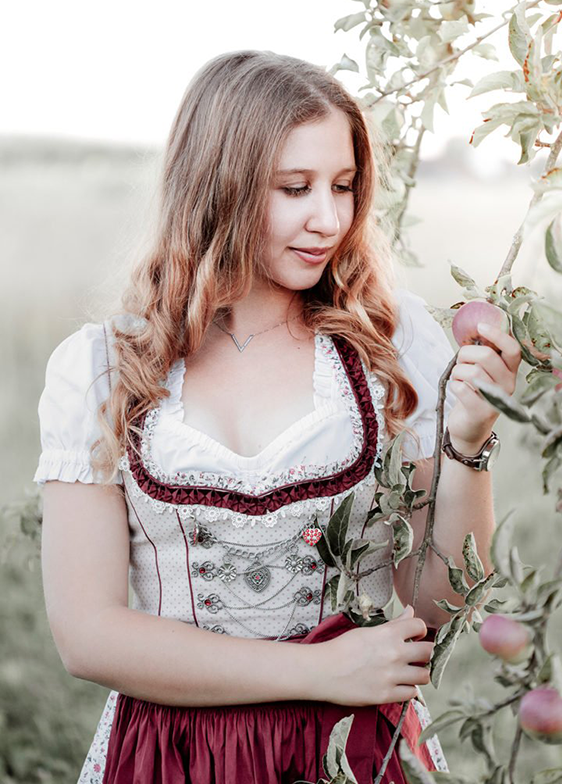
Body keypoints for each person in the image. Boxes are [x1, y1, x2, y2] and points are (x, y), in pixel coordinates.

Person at [34, 50, 522, 784]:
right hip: (174, 756)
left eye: (344, 186)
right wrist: (318, 670)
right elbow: (88, 637)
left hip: (355, 751)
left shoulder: (392, 346)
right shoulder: (105, 368)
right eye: (293, 188)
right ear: (217, 185)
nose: (327, 218)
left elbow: (436, 600)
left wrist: (467, 445)